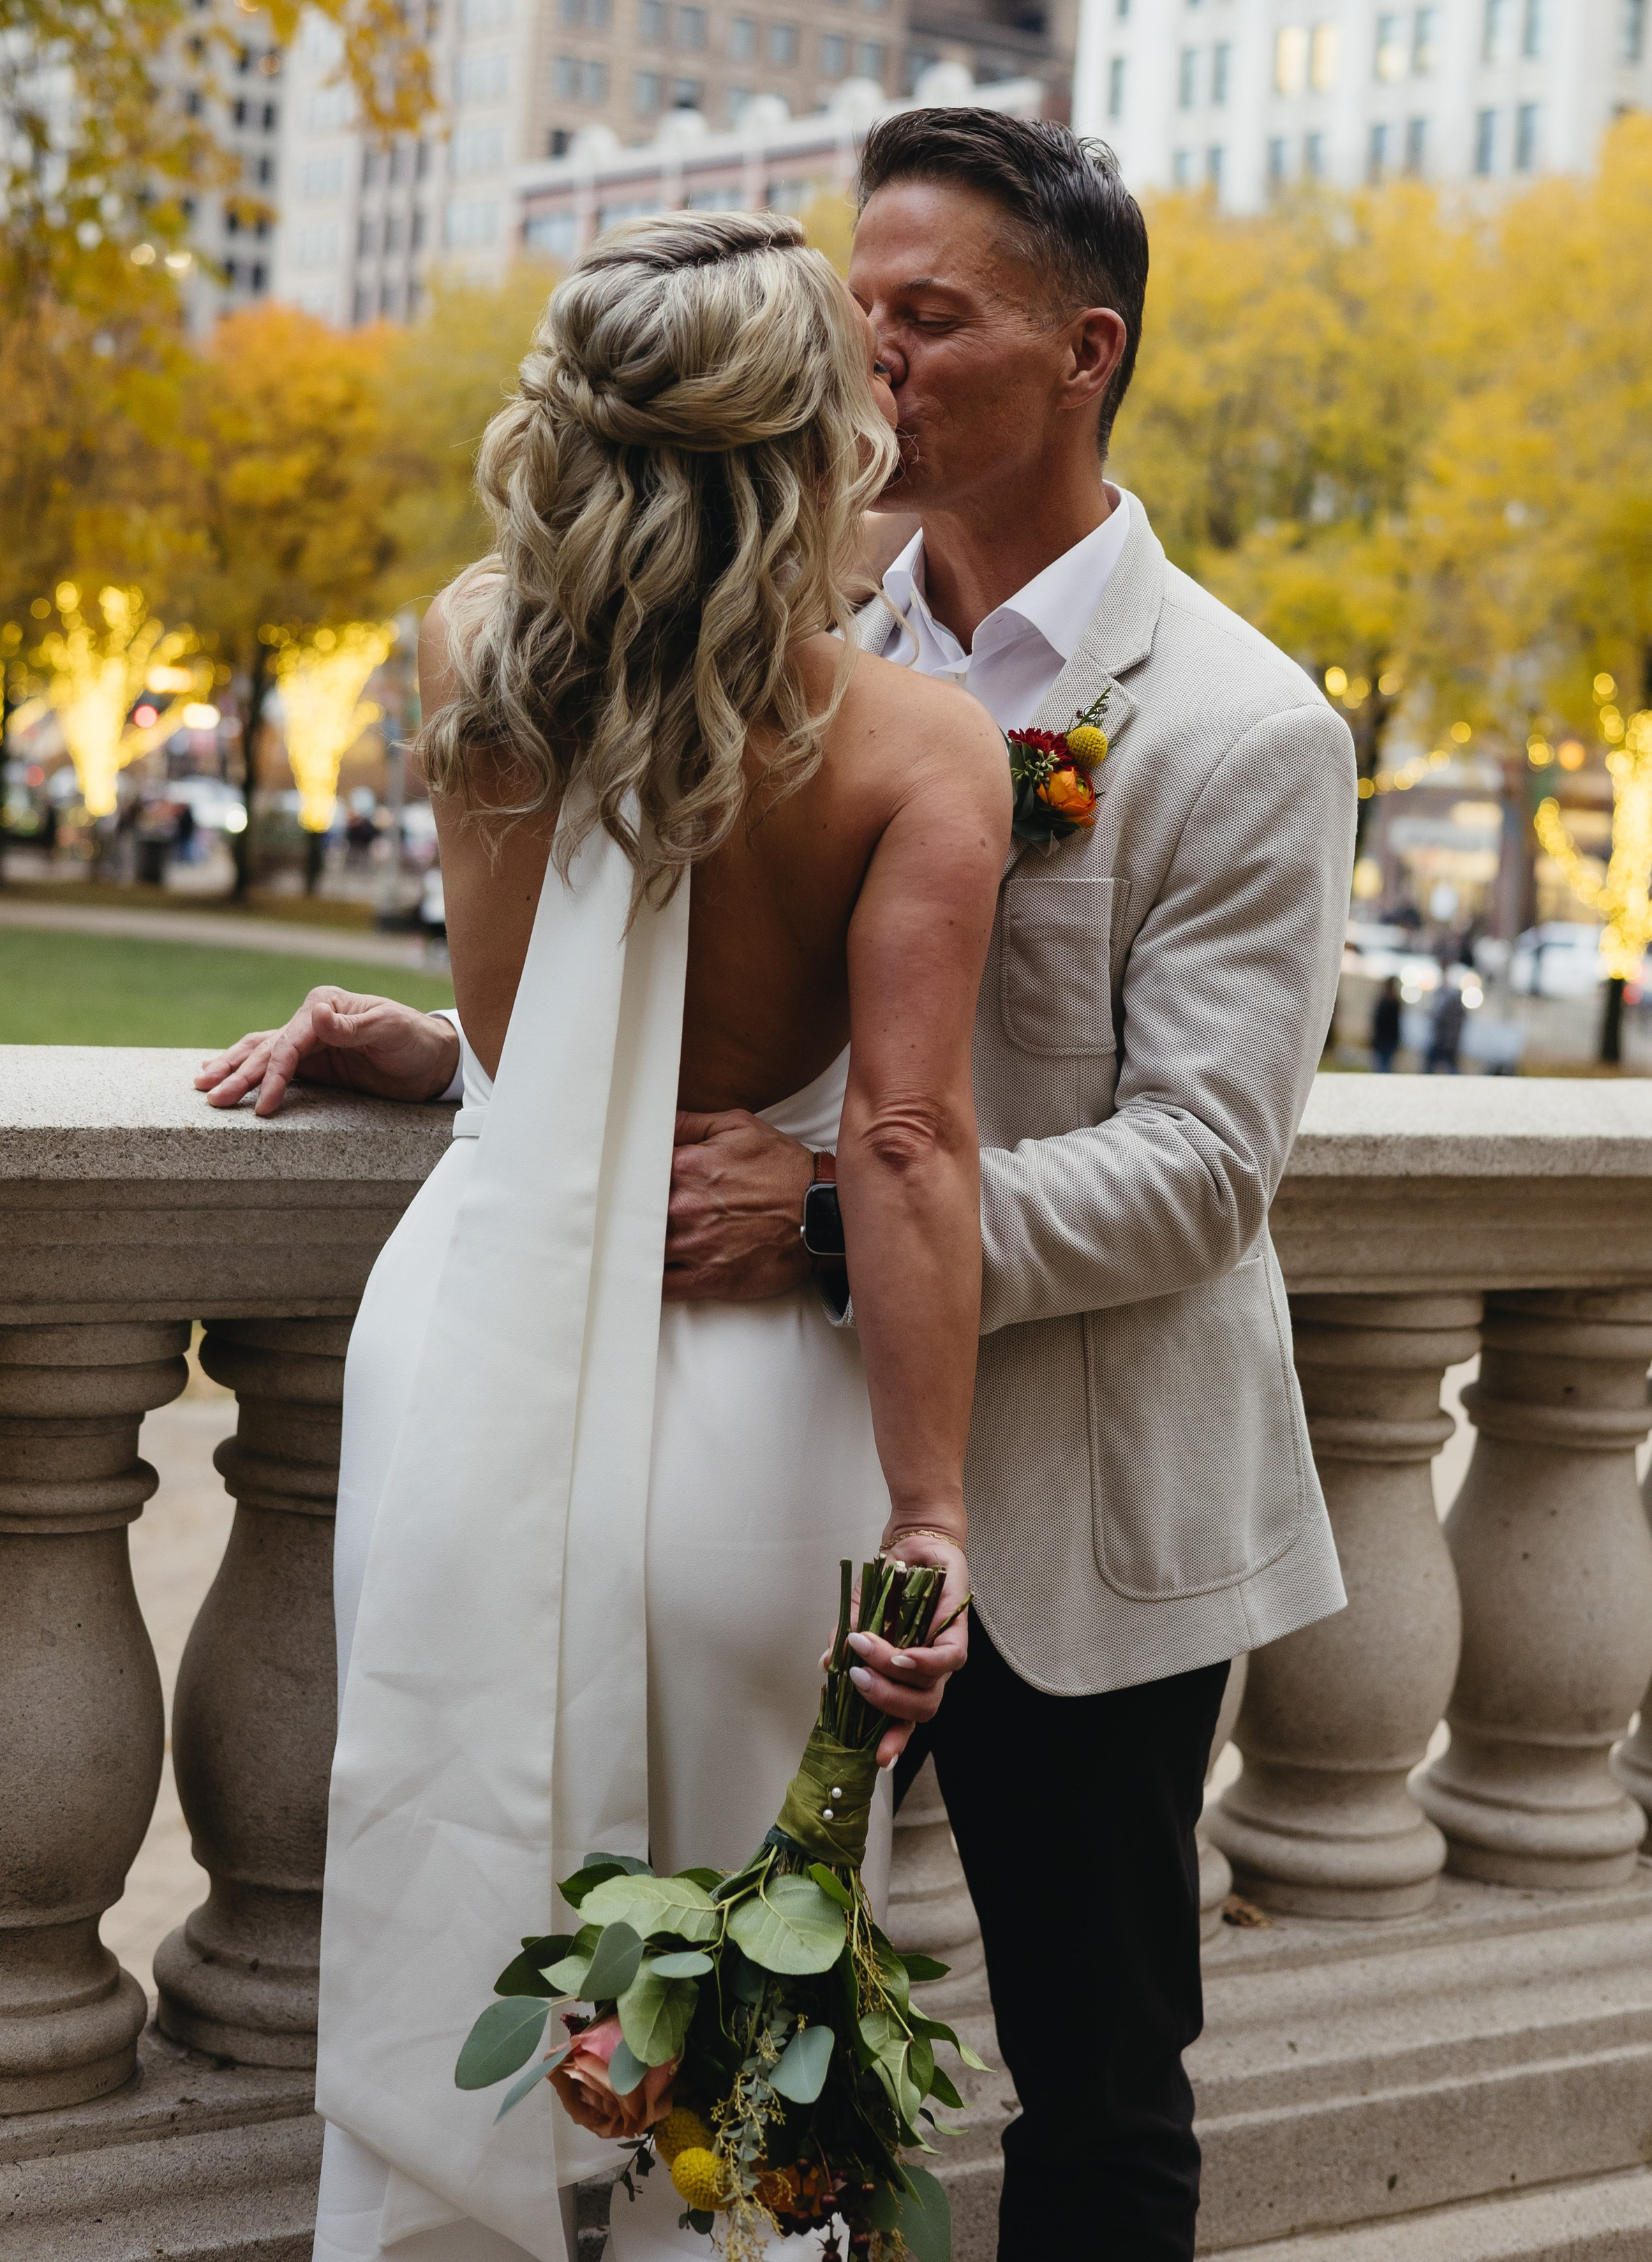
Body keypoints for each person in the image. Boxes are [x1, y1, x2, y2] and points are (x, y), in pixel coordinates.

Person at [202, 111, 1358, 2262]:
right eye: (860, 319)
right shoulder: (793, 630)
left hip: (1079, 1497)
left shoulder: (1241, 723)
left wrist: (824, 1212)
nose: (884, 362)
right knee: (712, 2035)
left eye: (933, 319)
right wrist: (460, 1054)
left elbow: (1205, 1170)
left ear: (1083, 349)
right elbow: (683, 1009)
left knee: (1098, 2078)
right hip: (779, 1452)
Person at [200, 211, 1011, 2262]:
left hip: (477, 1348)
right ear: (815, 438)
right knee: (733, 2034)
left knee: (462, 1903)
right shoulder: (919, 749)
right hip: (748, 1408)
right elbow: (905, 1143)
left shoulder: (473, 649)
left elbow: (516, 1036)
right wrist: (931, 1506)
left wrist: (426, 1049)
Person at [1427, 970, 1467, 1073]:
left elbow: (1440, 1023)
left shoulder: (1448, 1009)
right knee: (1449, 1065)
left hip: (1444, 1041)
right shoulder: (1460, 1011)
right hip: (1452, 1042)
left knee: (1433, 1065)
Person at [1371, 974, 1404, 1073]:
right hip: (1386, 1040)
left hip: (1385, 1040)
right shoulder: (1392, 1002)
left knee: (1382, 1067)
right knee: (1384, 1067)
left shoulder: (1386, 1002)